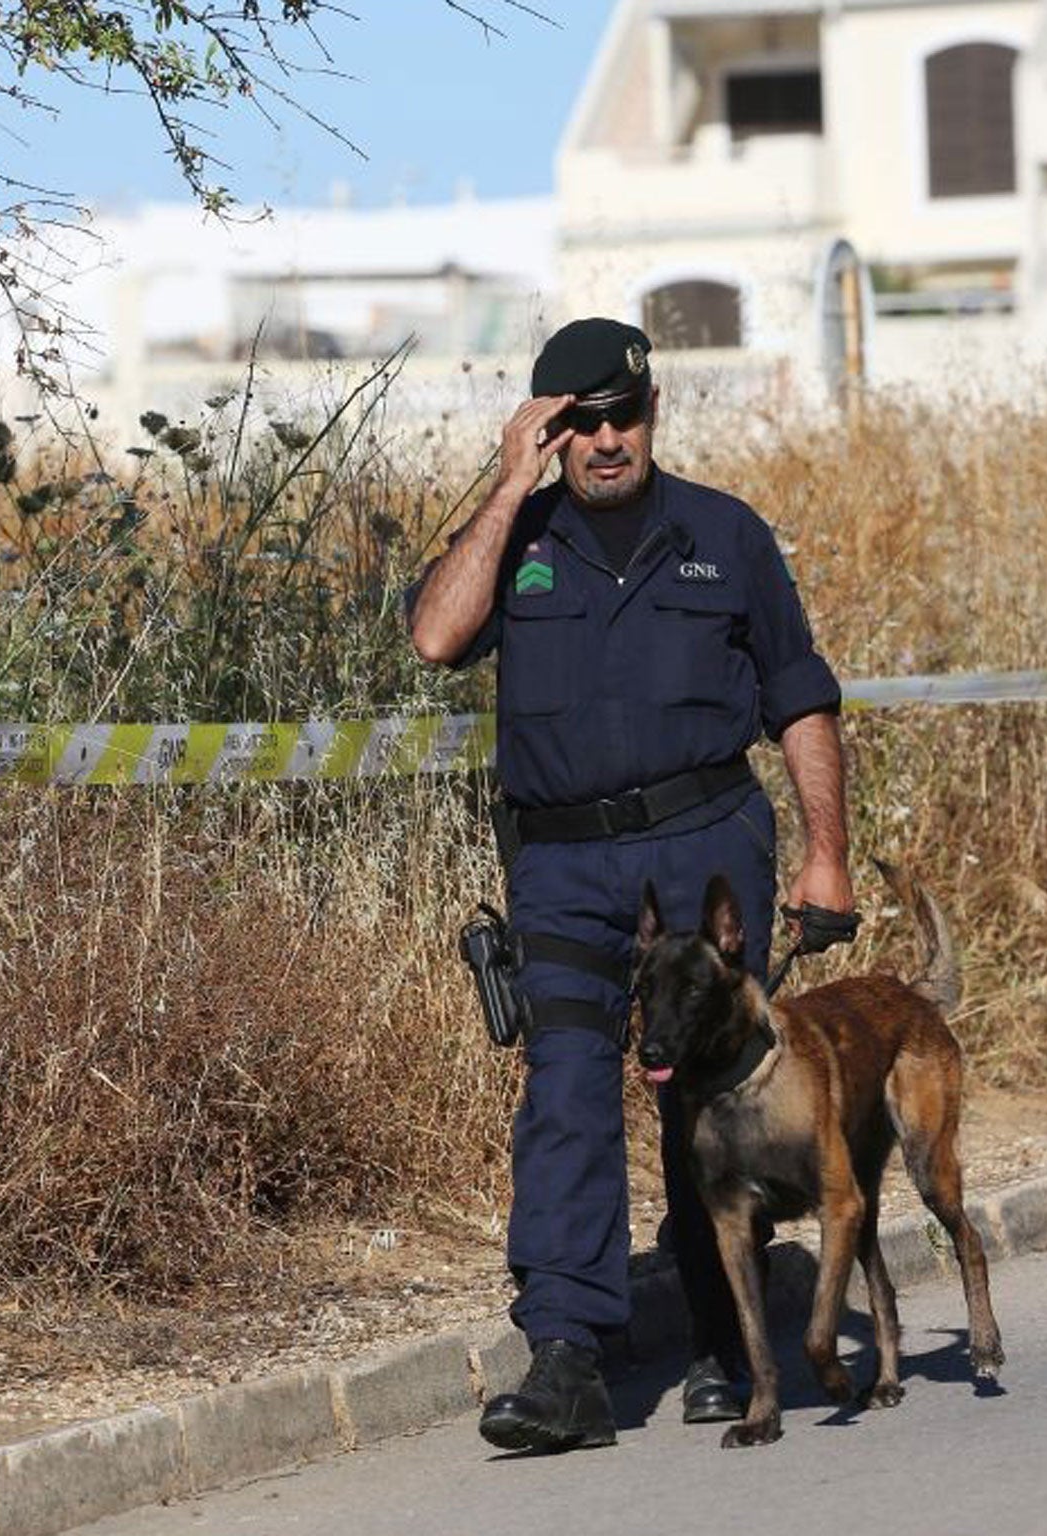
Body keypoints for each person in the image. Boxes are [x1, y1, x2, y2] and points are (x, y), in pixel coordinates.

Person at [408, 317, 853, 1451]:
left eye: (623, 417)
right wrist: (508, 490)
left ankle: (720, 1330)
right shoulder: (516, 536)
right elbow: (434, 637)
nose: (606, 441)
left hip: (700, 844)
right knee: (563, 1093)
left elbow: (798, 699)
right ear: (548, 432)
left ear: (653, 412)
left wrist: (824, 850)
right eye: (580, 424)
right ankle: (566, 1358)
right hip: (561, 863)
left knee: (708, 1098)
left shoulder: (725, 534)